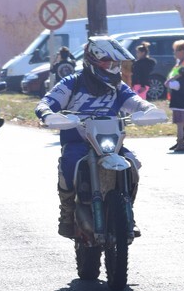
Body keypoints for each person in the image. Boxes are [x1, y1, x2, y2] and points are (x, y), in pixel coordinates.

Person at [35, 36, 156, 239]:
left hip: (111, 143)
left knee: (132, 162)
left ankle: (128, 212)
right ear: (92, 60)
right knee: (69, 164)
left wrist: (149, 109)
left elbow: (135, 101)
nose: (113, 68)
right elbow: (46, 102)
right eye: (108, 63)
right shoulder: (72, 82)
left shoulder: (117, 86)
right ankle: (67, 212)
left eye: (116, 64)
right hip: (78, 141)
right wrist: (48, 114)